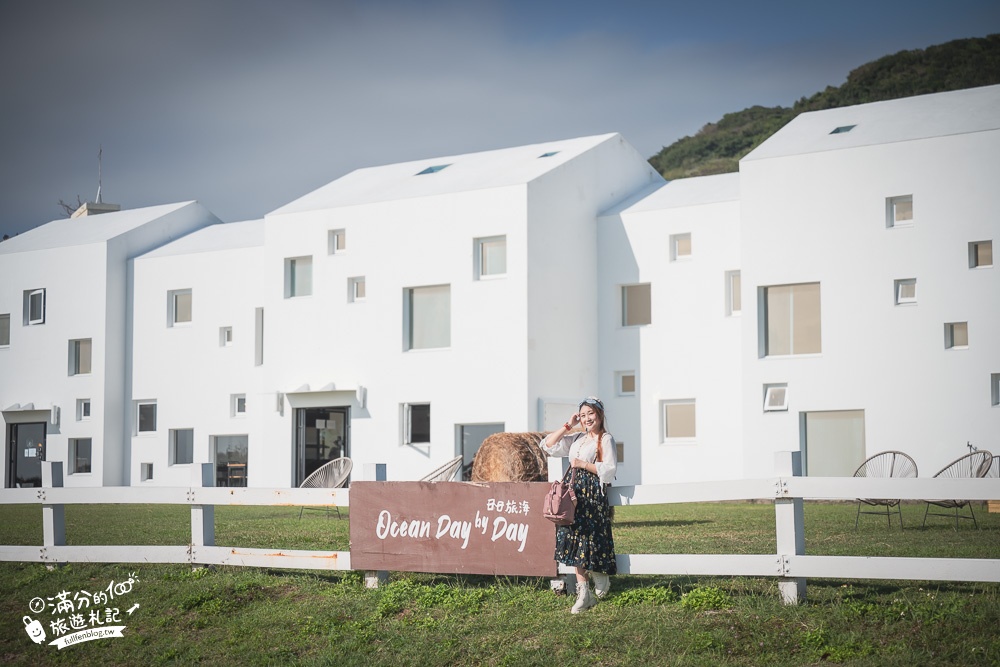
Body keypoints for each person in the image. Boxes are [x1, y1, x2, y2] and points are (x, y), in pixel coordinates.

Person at [539, 396, 617, 614]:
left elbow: (609, 469)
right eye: (583, 415)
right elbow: (548, 445)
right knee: (573, 540)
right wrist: (568, 425)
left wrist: (583, 464)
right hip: (574, 493)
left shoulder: (605, 439)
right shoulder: (576, 439)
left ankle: (600, 574)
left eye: (590, 413)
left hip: (592, 494)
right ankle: (584, 593)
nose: (586, 418)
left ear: (600, 414)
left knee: (591, 538)